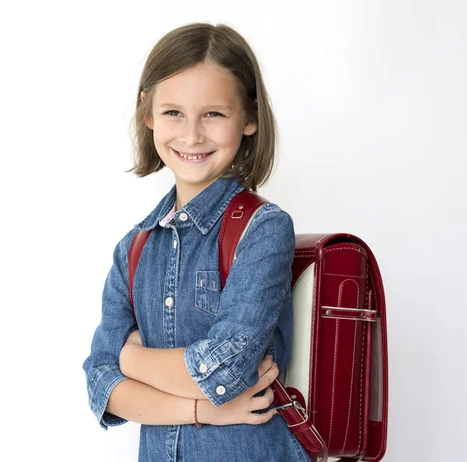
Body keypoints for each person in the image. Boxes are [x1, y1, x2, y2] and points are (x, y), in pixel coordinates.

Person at [82, 23, 311, 462]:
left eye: (213, 114)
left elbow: (225, 371)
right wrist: (204, 410)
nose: (191, 136)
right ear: (147, 114)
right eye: (173, 113)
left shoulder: (262, 229)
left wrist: (131, 361)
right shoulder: (134, 248)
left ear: (249, 119)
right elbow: (100, 385)